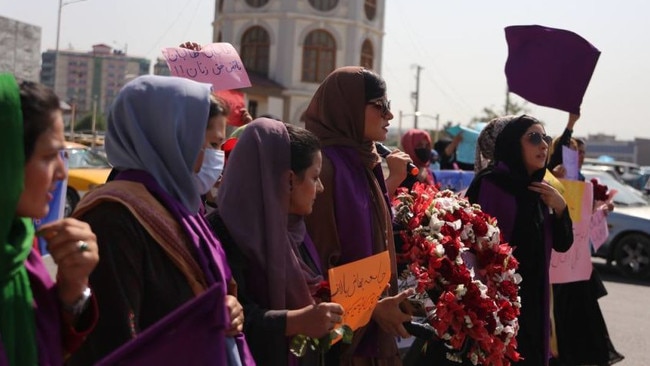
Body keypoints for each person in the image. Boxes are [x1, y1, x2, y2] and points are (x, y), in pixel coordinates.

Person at [67, 75, 253, 365]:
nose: (218, 160)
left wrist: (230, 309)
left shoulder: (182, 208)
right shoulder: (114, 216)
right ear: (173, 139)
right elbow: (116, 340)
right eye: (213, 145)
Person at [206, 118, 344, 365]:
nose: (321, 188)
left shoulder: (295, 230)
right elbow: (229, 317)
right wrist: (295, 321)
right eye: (315, 177)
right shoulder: (223, 232)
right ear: (289, 180)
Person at [302, 66, 414, 365]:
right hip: (341, 340)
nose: (389, 116)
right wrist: (372, 307)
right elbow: (315, 266)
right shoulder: (323, 168)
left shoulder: (363, 160)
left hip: (371, 329)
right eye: (381, 106)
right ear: (348, 107)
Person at [0, 74, 99, 366]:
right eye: (48, 157)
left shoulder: (17, 245)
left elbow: (49, 346)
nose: (61, 173)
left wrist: (74, 288)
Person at [465, 114, 574, 366]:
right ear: (513, 143)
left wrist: (561, 208)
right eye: (534, 138)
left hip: (533, 301)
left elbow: (563, 244)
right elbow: (473, 249)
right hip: (496, 305)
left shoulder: (540, 189)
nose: (544, 145)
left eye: (545, 138)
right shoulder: (491, 183)